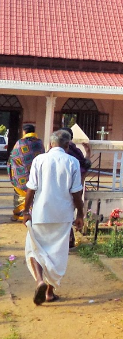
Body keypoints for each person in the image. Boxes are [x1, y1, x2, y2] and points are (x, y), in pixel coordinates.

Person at [22, 130, 84, 305]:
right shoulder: (73, 162)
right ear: (67, 146)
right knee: (57, 253)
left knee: (34, 248)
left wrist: (26, 211)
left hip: (40, 213)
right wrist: (80, 214)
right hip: (62, 214)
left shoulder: (39, 160)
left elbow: (31, 189)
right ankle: (49, 292)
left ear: (50, 144)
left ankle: (39, 280)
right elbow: (76, 193)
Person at [9, 124, 45, 222]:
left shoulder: (20, 143)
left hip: (21, 176)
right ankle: (32, 214)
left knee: (20, 195)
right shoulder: (39, 143)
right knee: (34, 194)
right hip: (36, 174)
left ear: (24, 131)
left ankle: (19, 215)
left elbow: (14, 157)